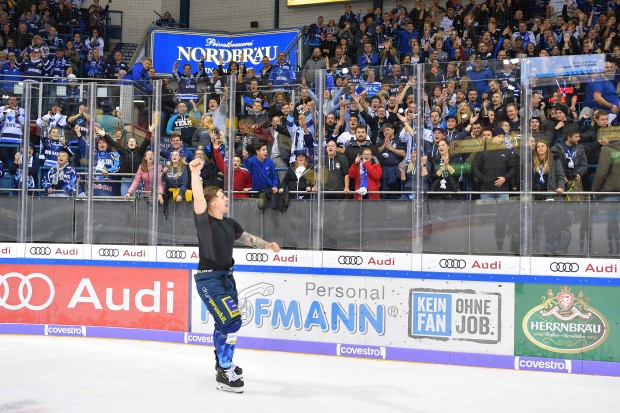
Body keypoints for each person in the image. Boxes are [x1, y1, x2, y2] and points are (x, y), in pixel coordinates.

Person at [189, 163, 280, 392]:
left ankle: (222, 364)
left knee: (224, 323)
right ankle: (225, 371)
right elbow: (198, 198)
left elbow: (247, 237)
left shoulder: (230, 223)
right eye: (222, 195)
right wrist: (194, 173)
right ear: (213, 202)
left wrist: (266, 245)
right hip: (209, 280)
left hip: (227, 278)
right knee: (232, 322)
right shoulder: (205, 221)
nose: (226, 197)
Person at [592, 133, 620, 254]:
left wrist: (594, 190)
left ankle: (608, 252)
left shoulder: (607, 150)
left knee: (609, 223)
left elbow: (601, 172)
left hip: (610, 192)